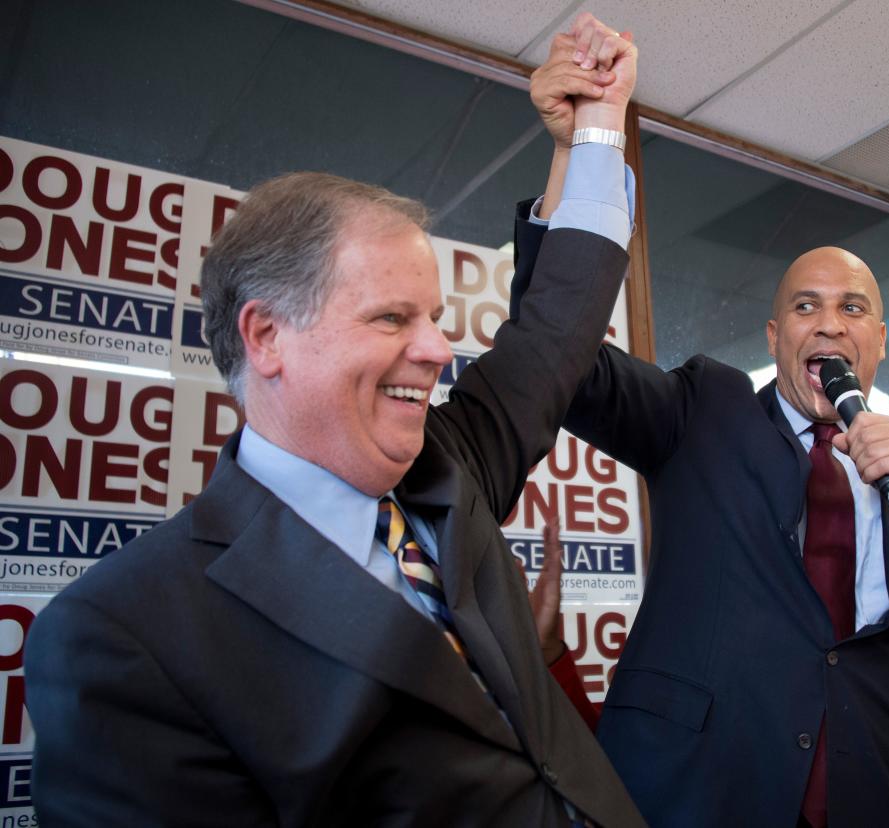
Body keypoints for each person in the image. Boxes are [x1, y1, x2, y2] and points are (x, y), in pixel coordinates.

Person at [24, 29, 648, 827]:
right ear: (266, 336)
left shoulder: (452, 466)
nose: (435, 349)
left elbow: (558, 322)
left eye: (432, 317)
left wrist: (598, 125)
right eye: (392, 317)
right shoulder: (123, 637)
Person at [514, 19, 889, 825]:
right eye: (804, 307)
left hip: (865, 802)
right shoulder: (702, 410)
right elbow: (562, 358)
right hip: (692, 795)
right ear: (773, 337)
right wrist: (580, 153)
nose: (828, 325)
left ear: (880, 341)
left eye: (852, 307)